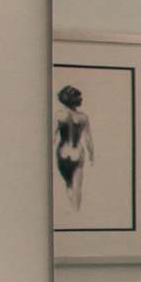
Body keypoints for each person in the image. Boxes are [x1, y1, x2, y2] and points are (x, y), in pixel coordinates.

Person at [55, 82, 92, 211]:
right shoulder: (83, 117)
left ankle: (72, 209)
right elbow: (88, 140)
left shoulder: (59, 115)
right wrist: (92, 156)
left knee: (68, 184)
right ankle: (75, 210)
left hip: (63, 151)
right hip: (78, 152)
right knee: (78, 188)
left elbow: (52, 137)